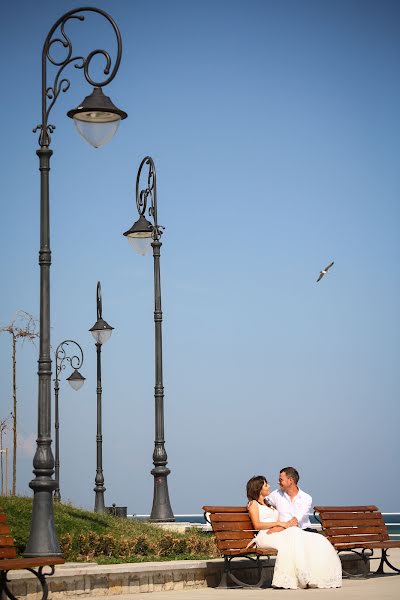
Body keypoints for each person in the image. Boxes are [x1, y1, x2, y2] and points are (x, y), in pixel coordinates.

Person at [247, 475, 342, 589]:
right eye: (266, 484)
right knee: (294, 534)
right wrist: (279, 524)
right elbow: (257, 525)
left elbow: (281, 521)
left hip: (276, 533)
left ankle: (307, 575)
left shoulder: (269, 503)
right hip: (265, 535)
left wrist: (280, 526)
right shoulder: (253, 504)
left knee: (312, 537)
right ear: (258, 488)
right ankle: (292, 578)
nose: (269, 486)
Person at [267, 466, 318, 532]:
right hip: (283, 533)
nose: (278, 482)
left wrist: (279, 529)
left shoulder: (306, 498)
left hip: (302, 531)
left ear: (290, 480)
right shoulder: (276, 494)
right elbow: (262, 501)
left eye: (281, 480)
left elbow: (295, 521)